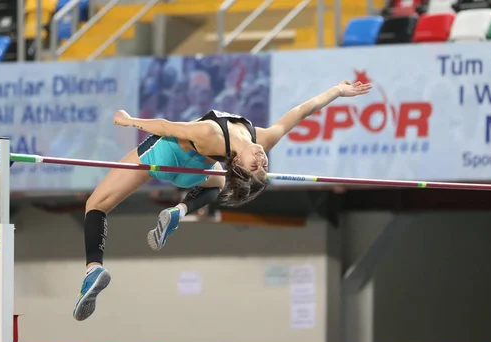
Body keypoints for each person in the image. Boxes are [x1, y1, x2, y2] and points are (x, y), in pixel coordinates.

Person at [73, 79, 373, 321]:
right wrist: (337, 91)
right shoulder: (262, 140)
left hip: (167, 157)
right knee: (217, 181)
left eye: (255, 167)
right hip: (195, 172)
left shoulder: (212, 135)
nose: (262, 160)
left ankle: (93, 269)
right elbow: (301, 111)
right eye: (264, 166)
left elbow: (165, 126)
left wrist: (129, 121)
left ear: (238, 165)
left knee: (96, 204)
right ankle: (180, 210)